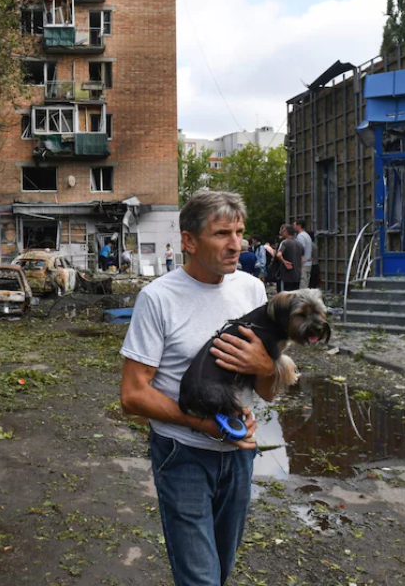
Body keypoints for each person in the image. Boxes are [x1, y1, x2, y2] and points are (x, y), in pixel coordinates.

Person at [120, 190, 278, 586]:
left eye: (239, 232)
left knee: (221, 570)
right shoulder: (158, 298)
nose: (236, 244)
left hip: (239, 454)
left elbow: (269, 391)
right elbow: (133, 394)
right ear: (189, 241)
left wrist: (266, 366)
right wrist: (201, 425)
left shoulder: (252, 290)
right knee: (200, 579)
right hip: (183, 454)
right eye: (222, 233)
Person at [277, 225, 303, 292]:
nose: (281, 232)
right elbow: (302, 259)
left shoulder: (285, 242)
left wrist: (284, 262)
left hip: (287, 275)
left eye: (283, 231)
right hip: (297, 274)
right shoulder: (299, 244)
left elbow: (279, 254)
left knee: (286, 295)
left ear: (286, 232)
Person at [293, 219, 313, 290]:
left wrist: (300, 261)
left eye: (295, 225)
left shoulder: (300, 236)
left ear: (299, 226)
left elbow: (301, 249)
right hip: (308, 263)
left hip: (303, 264)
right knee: (306, 283)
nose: (294, 227)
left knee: (302, 285)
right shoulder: (307, 235)